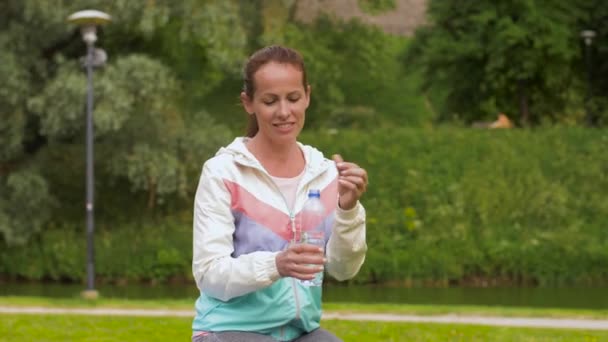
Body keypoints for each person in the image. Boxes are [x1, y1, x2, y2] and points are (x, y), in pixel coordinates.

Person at [191, 45, 368, 342]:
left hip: (301, 332)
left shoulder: (324, 175)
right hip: (229, 329)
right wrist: (276, 265)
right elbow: (210, 273)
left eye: (293, 98)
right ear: (249, 103)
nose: (284, 112)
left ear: (307, 96)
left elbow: (343, 269)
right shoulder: (223, 172)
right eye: (270, 101)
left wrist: (348, 209)